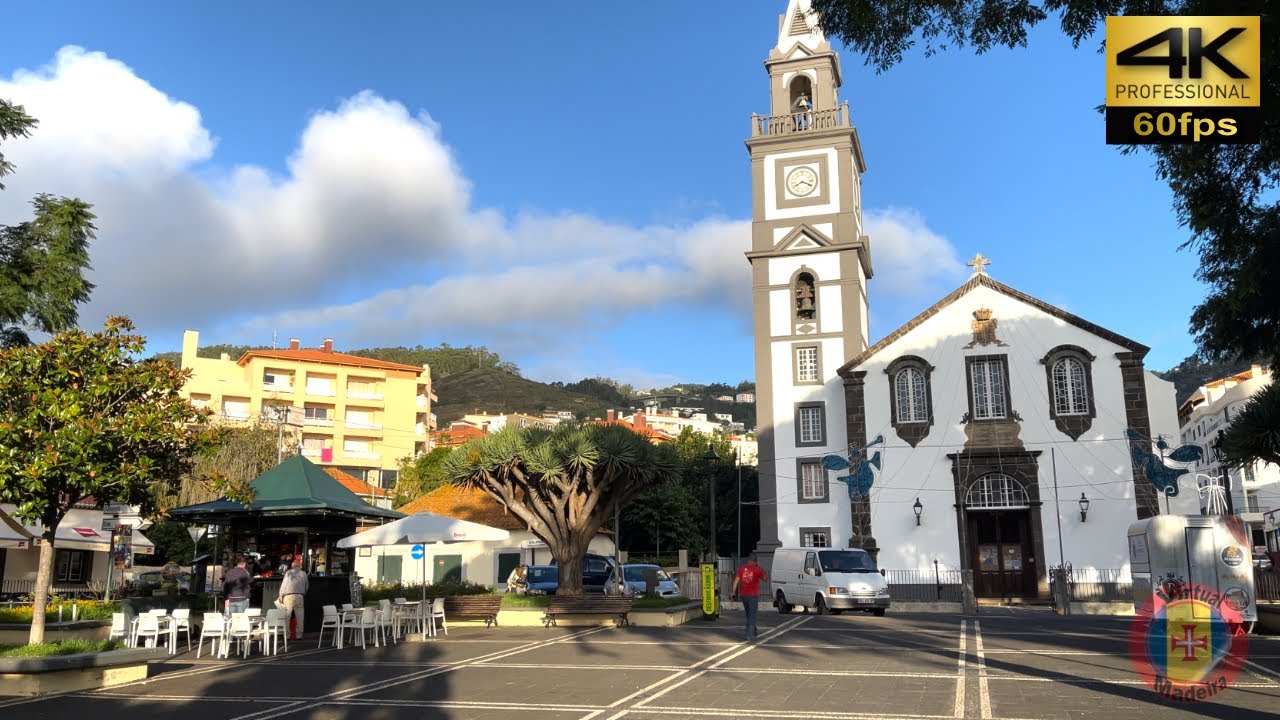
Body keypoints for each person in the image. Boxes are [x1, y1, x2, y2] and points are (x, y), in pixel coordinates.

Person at [731, 554, 768, 641]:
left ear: (748, 560)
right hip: (753, 596)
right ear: (755, 561)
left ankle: (754, 631)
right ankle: (749, 634)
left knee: (749, 614)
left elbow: (736, 581)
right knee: (752, 615)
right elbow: (765, 579)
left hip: (744, 595)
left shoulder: (742, 569)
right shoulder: (757, 569)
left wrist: (733, 592)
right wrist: (762, 568)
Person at [277, 558, 309, 640]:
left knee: (287, 617)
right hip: (299, 596)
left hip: (288, 596)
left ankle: (287, 636)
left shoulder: (288, 572)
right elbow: (306, 586)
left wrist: (281, 595)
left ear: (292, 566)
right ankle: (299, 636)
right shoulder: (304, 573)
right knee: (300, 617)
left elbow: (284, 585)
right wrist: (303, 593)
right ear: (300, 566)